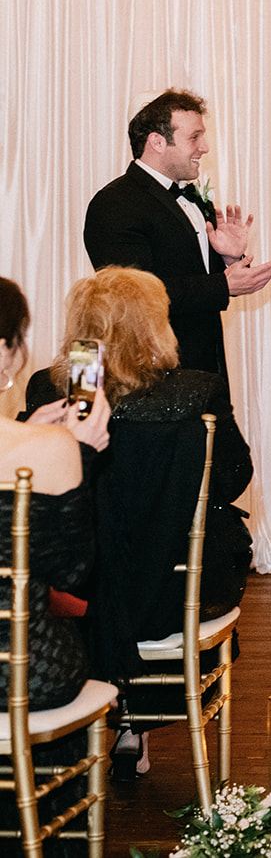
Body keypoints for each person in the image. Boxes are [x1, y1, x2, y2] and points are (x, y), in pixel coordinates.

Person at [23, 267, 254, 779]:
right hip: (175, 591)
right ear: (154, 326)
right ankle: (135, 722)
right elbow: (234, 477)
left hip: (81, 598)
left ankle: (117, 718)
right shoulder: (197, 391)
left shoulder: (50, 393)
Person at [0, 278, 109, 858]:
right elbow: (72, 573)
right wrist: (79, 454)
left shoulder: (31, 444)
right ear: (4, 350)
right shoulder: (49, 452)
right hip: (22, 675)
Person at [84, 90, 271, 391]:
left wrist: (229, 260)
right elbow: (136, 296)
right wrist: (223, 285)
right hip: (149, 374)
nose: (205, 147)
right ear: (157, 142)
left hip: (204, 363)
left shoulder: (194, 200)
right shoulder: (114, 204)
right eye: (195, 137)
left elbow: (195, 276)